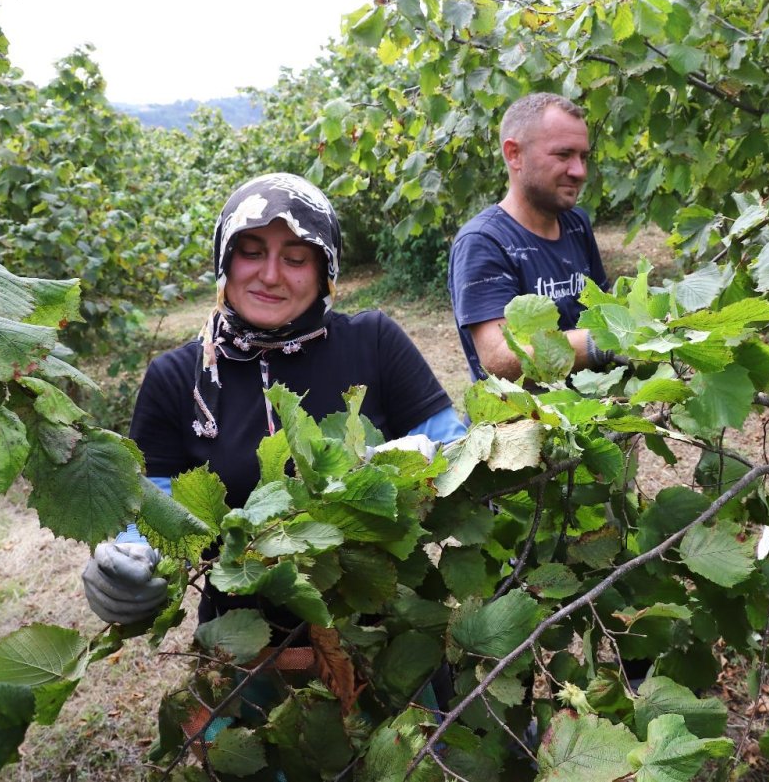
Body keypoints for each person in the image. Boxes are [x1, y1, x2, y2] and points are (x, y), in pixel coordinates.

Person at [83, 172, 465, 628]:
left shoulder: (374, 342)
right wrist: (127, 567)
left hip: (386, 632)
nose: (269, 275)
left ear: (325, 270)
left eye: (296, 258)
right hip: (243, 644)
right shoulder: (178, 378)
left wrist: (416, 460)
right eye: (251, 252)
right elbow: (150, 515)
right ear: (225, 257)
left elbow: (456, 448)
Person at [447, 92, 615, 383]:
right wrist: (602, 343)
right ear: (514, 154)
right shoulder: (483, 242)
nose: (579, 171)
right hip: (526, 412)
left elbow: (605, 308)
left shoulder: (577, 224)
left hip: (596, 403)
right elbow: (499, 358)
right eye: (563, 155)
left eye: (584, 157)